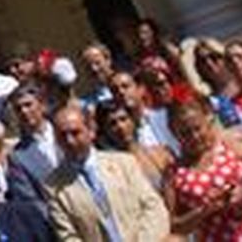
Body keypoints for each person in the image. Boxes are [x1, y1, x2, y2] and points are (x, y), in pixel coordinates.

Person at [164, 94, 242, 241]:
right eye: (185, 133)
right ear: (174, 133)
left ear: (208, 119)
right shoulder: (174, 173)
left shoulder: (230, 144)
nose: (194, 137)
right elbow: (174, 226)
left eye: (197, 128)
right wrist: (204, 211)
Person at [45, 104, 169, 242]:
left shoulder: (124, 164)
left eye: (75, 133)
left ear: (91, 131)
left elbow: (154, 207)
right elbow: (68, 236)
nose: (69, 141)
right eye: (62, 136)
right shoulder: (54, 187)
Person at [1, 83, 59, 241]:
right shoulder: (18, 157)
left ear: (42, 105)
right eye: (18, 109)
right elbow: (31, 203)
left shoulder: (66, 132)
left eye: (28, 105)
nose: (24, 112)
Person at [94, 99, 173, 192]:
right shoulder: (113, 171)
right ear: (106, 132)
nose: (120, 126)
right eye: (112, 124)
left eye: (123, 119)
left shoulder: (160, 152)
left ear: (132, 121)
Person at [110, 70, 179, 156]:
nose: (121, 92)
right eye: (115, 91)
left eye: (125, 86)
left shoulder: (165, 116)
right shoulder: (124, 136)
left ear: (140, 89)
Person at [78, 43, 117, 109]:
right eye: (88, 67)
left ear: (108, 60)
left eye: (97, 63)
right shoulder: (87, 103)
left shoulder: (131, 84)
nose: (94, 69)